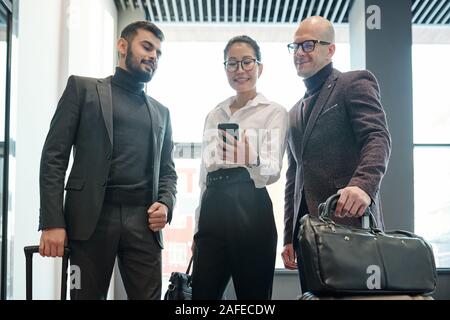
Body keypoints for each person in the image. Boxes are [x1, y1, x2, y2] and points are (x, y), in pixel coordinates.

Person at [38, 21, 177, 300]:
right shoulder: (82, 89)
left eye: (159, 53)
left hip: (143, 221)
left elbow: (168, 173)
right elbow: (54, 157)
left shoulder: (162, 113)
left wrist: (166, 202)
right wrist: (53, 221)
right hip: (90, 219)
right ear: (123, 46)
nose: (153, 57)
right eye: (147, 47)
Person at [281, 16, 392, 289]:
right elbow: (294, 175)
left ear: (330, 50)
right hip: (308, 236)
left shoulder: (352, 83)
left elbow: (377, 136)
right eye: (294, 47)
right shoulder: (295, 111)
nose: (299, 53)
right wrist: (289, 236)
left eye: (308, 45)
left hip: (350, 226)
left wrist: (363, 186)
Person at [191, 35, 288, 300]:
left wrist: (250, 158)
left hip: (251, 207)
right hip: (213, 206)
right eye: (232, 63)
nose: (240, 70)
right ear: (225, 69)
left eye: (247, 62)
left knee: (254, 297)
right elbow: (204, 175)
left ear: (260, 67)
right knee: (201, 295)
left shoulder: (274, 111)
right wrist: (198, 227)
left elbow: (272, 171)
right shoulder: (215, 113)